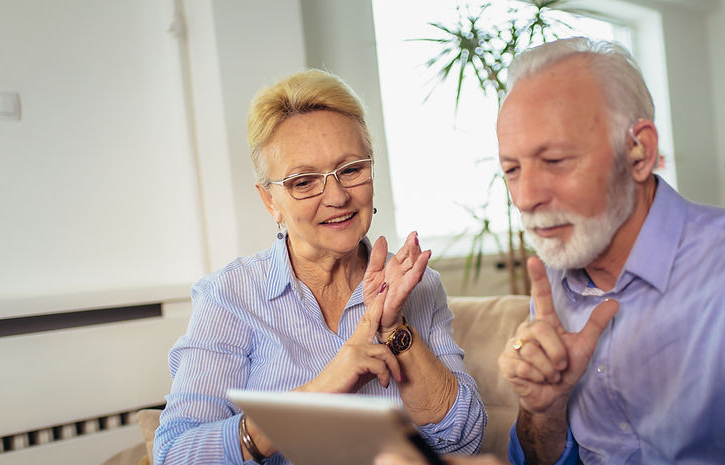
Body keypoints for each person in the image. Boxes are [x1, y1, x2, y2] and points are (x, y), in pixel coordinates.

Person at [377, 37, 725, 465]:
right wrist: (543, 408)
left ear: (639, 151)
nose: (526, 197)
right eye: (512, 170)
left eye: (555, 161)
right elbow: (538, 458)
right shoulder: (556, 275)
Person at [153, 69, 486, 465]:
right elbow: (173, 454)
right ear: (270, 201)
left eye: (351, 170)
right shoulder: (229, 296)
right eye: (304, 182)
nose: (337, 197)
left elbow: (465, 441)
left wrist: (395, 329)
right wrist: (315, 395)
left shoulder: (419, 284)